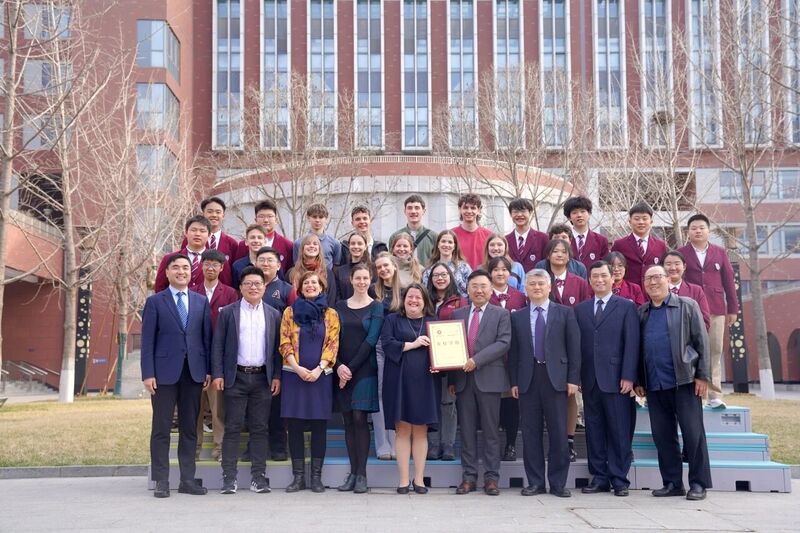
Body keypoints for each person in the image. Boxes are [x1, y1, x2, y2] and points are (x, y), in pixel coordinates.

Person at [636, 265, 712, 501]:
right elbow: (638, 350)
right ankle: (672, 483)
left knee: (693, 434)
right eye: (648, 279)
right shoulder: (642, 312)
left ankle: (698, 484)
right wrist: (639, 379)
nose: (653, 282)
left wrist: (703, 375)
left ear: (668, 280)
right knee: (663, 436)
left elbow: (702, 341)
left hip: (685, 381)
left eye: (658, 277)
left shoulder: (687, 306)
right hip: (655, 384)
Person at [141, 254, 212, 498]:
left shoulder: (201, 301)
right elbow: (147, 341)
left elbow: (206, 339)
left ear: (191, 272)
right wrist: (148, 373)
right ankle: (161, 480)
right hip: (163, 374)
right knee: (161, 428)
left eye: (185, 268)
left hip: (193, 372)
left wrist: (208, 370)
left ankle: (187, 480)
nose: (181, 271)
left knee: (190, 428)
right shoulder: (155, 302)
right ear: (167, 272)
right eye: (176, 268)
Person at [509, 269, 580, 498]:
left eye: (541, 283)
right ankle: (536, 482)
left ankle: (558, 483)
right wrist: (514, 381)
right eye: (532, 284)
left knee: (558, 432)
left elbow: (574, 348)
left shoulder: (565, 313)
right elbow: (514, 352)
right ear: (526, 288)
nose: (537, 287)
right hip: (528, 378)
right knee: (531, 432)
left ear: (550, 287)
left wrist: (573, 379)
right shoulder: (517, 317)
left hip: (556, 379)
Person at [211, 266, 282, 494]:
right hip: (235, 378)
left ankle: (258, 478)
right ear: (240, 288)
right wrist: (218, 374)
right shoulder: (228, 313)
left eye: (257, 284)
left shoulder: (273, 314)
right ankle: (228, 478)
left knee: (260, 428)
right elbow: (218, 345)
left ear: (264, 287)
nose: (253, 287)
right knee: (232, 427)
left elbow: (277, 350)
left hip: (263, 379)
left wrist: (277, 376)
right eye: (248, 284)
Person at [574, 261, 639, 497]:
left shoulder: (626, 306)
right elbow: (577, 346)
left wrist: (629, 376)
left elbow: (632, 343)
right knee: (594, 430)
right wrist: (578, 376)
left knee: (619, 430)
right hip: (590, 380)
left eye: (603, 276)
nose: (599, 280)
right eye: (595, 276)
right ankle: (599, 477)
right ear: (589, 280)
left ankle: (619, 479)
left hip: (617, 380)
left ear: (613, 278)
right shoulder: (581, 309)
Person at [449, 270, 512, 496]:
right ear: (467, 289)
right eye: (474, 286)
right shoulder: (458, 313)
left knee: (491, 432)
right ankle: (469, 477)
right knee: (466, 431)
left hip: (489, 379)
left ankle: (492, 478)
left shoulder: (501, 314)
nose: (479, 290)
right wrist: (451, 379)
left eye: (483, 286)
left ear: (491, 289)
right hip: (463, 381)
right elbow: (451, 346)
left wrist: (476, 360)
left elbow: (503, 343)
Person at [279, 271, 340, 493]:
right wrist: (297, 368)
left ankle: (316, 477)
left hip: (320, 376)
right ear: (300, 288)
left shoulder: (331, 314)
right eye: (306, 282)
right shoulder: (290, 311)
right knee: (294, 425)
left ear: (322, 287)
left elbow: (333, 343)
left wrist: (318, 369)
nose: (310, 285)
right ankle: (298, 477)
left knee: (319, 426)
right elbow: (284, 341)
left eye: (314, 282)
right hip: (293, 375)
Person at [380, 283, 440, 494]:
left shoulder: (433, 322)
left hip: (426, 382)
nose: (414, 301)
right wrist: (413, 344)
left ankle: (419, 480)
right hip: (398, 382)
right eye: (410, 297)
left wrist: (440, 365)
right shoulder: (392, 320)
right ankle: (404, 481)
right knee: (403, 430)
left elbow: (443, 351)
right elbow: (387, 345)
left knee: (421, 431)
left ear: (425, 301)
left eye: (418, 297)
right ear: (403, 300)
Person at [678, 213, 739, 409]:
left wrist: (733, 308)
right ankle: (696, 395)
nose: (698, 231)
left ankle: (714, 395)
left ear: (708, 231)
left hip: (716, 309)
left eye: (701, 228)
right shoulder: (680, 253)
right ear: (688, 232)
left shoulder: (719, 252)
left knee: (714, 350)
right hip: (689, 309)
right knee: (691, 350)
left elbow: (729, 281)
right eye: (693, 228)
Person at [333, 264, 384, 493]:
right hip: (341, 369)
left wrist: (349, 369)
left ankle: (362, 474)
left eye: (365, 278)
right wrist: (339, 367)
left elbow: (371, 341)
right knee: (347, 421)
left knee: (360, 419)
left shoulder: (377, 307)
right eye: (358, 278)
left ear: (370, 280)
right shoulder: (339, 306)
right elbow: (332, 339)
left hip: (364, 370)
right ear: (351, 280)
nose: (362, 282)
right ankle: (352, 474)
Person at [541, 238, 590, 462]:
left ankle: (568, 440)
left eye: (563, 251)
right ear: (548, 255)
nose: (559, 254)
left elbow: (585, 312)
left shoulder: (579, 282)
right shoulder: (541, 281)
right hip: (545, 345)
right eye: (555, 251)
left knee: (570, 393)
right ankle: (552, 442)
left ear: (569, 256)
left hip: (571, 344)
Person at [192, 250, 239, 462]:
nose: (211, 268)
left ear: (221, 268)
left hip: (218, 360)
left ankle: (219, 449)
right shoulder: (192, 292)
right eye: (207, 264)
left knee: (218, 409)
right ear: (201, 266)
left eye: (215, 265)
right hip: (195, 359)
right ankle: (193, 450)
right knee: (194, 410)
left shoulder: (230, 294)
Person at [254, 246, 295, 461]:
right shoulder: (250, 287)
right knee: (255, 404)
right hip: (253, 353)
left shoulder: (287, 290)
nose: (265, 264)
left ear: (279, 265)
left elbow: (295, 322)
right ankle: (254, 446)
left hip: (279, 352)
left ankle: (279, 446)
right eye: (261, 260)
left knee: (276, 402)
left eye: (270, 260)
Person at [487, 256, 527, 462]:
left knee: (512, 401)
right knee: (492, 403)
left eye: (504, 270)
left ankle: (510, 444)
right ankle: (491, 446)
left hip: (514, 356)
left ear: (510, 273)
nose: (500, 273)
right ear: (490, 273)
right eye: (496, 270)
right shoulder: (484, 295)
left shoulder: (520, 297)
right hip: (490, 358)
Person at [424, 262, 463, 461]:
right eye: (436, 275)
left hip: (450, 360)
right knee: (430, 402)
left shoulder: (460, 301)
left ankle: (448, 444)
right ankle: (433, 444)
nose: (440, 278)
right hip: (426, 359)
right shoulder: (425, 300)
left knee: (449, 403)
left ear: (450, 277)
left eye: (443, 274)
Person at [370, 252, 401, 460]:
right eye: (379, 267)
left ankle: (397, 442)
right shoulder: (373, 291)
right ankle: (383, 444)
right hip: (380, 346)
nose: (383, 269)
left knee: (397, 395)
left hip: (400, 347)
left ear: (394, 266)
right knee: (380, 394)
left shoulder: (405, 291)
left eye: (386, 265)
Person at [155, 215, 232, 292]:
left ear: (209, 235)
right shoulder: (169, 258)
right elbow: (160, 288)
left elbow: (226, 289)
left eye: (202, 231)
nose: (197, 234)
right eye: (193, 230)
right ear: (186, 233)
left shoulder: (219, 259)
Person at [611, 202, 668, 288]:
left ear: (651, 222)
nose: (641, 222)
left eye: (645, 219)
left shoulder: (661, 245)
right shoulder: (619, 245)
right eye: (636, 219)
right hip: (629, 291)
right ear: (630, 222)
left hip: (653, 291)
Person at [234, 200, 294, 275]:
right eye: (261, 216)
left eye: (270, 216)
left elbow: (288, 274)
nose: (266, 220)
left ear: (276, 220)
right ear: (256, 220)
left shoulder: (288, 245)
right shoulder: (244, 244)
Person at [181, 197, 240, 265]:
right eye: (210, 212)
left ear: (223, 216)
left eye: (218, 212)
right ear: (203, 214)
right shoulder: (190, 239)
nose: (214, 215)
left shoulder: (232, 243)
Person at [663, 250, 711, 330]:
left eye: (677, 264)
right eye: (668, 264)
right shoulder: (656, 290)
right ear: (662, 267)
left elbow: (704, 321)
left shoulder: (696, 291)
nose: (673, 268)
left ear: (684, 267)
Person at [287, 233, 337, 304]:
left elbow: (331, 298)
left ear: (319, 249)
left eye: (315, 244)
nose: (312, 246)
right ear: (302, 248)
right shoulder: (291, 273)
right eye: (308, 244)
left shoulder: (327, 273)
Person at [564, 196, 609, 273]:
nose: (579, 215)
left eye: (583, 211)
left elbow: (605, 267)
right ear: (569, 217)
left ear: (589, 214)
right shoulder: (563, 239)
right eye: (574, 212)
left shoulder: (601, 241)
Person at [390, 194, 438, 266]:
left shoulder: (433, 236)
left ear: (424, 211)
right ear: (405, 211)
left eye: (417, 208)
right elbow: (391, 261)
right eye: (409, 208)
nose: (413, 211)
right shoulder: (395, 237)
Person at [421, 229, 472, 296]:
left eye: (450, 242)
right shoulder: (429, 270)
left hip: (461, 302)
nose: (446, 245)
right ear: (438, 244)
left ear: (454, 246)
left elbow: (471, 289)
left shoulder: (464, 267)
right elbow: (426, 294)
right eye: (443, 241)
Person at [505, 197, 549, 274]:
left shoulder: (543, 238)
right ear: (510, 214)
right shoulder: (505, 240)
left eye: (523, 211)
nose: (519, 215)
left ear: (530, 212)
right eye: (515, 212)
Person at [451, 193, 494, 269]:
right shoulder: (451, 235)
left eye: (473, 208)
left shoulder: (489, 236)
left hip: (483, 276)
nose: (469, 211)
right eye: (465, 208)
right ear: (460, 209)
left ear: (479, 210)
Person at [292, 203, 342, 267]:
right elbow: (296, 265)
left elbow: (336, 266)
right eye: (314, 217)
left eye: (321, 217)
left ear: (326, 219)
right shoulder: (298, 243)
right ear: (308, 218)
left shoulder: (335, 243)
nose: (317, 220)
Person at [336, 232, 372, 300]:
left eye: (359, 243)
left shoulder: (373, 269)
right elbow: (338, 296)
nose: (356, 246)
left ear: (365, 247)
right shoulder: (340, 271)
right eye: (353, 243)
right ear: (349, 246)